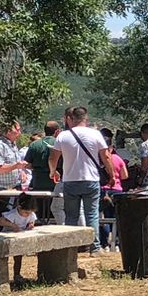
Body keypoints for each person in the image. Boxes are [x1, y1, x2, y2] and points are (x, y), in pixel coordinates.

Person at [51, 106, 108, 255]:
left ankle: (70, 247)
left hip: (70, 180)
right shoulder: (95, 134)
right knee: (92, 214)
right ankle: (94, 247)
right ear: (86, 119)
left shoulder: (63, 136)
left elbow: (53, 158)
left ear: (71, 119)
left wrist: (53, 172)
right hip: (91, 179)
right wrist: (112, 175)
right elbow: (106, 156)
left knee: (71, 215)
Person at [28, 119, 61, 221]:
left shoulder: (34, 144)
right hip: (56, 182)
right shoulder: (59, 143)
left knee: (39, 213)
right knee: (55, 212)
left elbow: (28, 164)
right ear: (57, 131)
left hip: (38, 182)